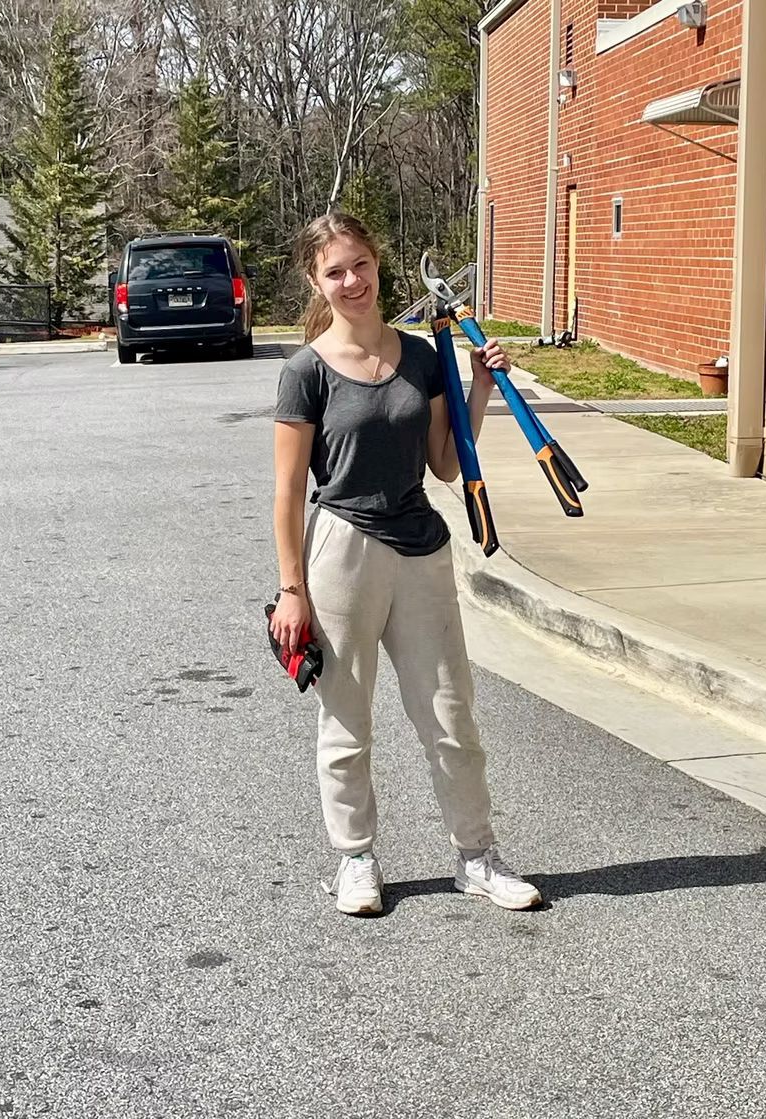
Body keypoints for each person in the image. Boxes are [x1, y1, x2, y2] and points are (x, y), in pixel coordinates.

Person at [271, 211, 541, 916]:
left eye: (359, 264)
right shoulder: (305, 372)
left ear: (377, 263)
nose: (352, 281)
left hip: (420, 546)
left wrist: (479, 386)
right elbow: (288, 491)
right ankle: (355, 858)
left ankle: (477, 857)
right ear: (316, 281)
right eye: (335, 271)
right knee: (346, 719)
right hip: (342, 550)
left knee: (450, 714)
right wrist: (292, 589)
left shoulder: (420, 357)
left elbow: (446, 464)